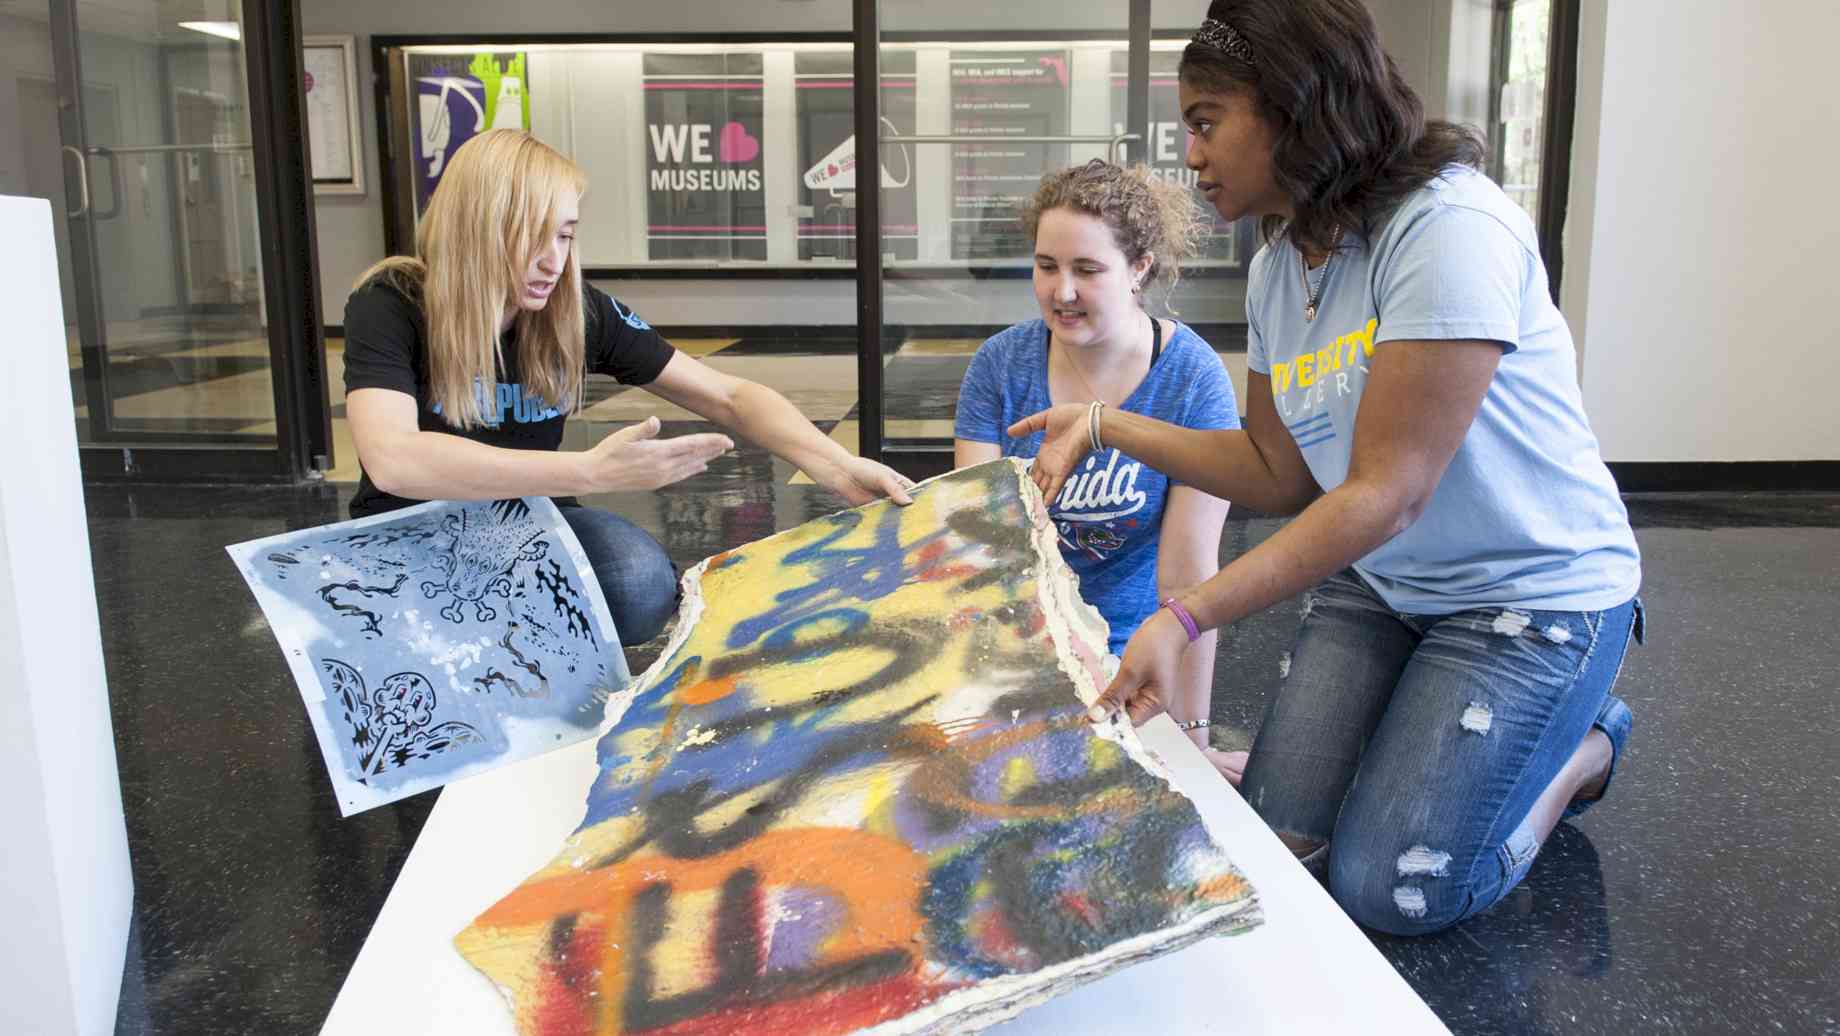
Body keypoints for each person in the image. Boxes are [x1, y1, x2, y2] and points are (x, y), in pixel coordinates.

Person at [1010, 0, 1642, 937]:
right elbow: (1275, 473)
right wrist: (1103, 425)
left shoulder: (1448, 228)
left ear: (1293, 108)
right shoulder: (1279, 268)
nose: (1190, 153)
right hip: (1388, 585)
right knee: (1280, 845)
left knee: (1394, 888)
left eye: (1205, 120)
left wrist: (1183, 616)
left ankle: (1582, 752)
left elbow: (1387, 494)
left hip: (1530, 596)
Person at [343, 129, 913, 649]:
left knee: (640, 586)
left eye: (565, 236)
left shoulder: (575, 311)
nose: (553, 261)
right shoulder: (393, 303)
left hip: (525, 524)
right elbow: (395, 460)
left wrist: (836, 466)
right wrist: (587, 472)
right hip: (406, 527)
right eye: (531, 238)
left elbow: (729, 396)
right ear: (478, 229)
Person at [954, 159, 1243, 781]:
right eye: (1046, 266)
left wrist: (1191, 735)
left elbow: (1191, 575)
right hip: (1018, 643)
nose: (1062, 292)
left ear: (1139, 269)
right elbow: (975, 548)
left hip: (1132, 654)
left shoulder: (1192, 378)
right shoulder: (1000, 367)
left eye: (1087, 270)